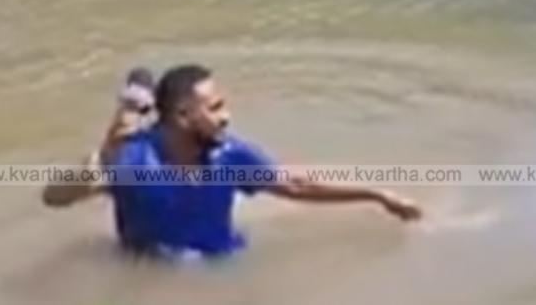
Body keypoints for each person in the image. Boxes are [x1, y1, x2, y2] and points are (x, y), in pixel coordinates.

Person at [41, 63, 423, 260]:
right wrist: (99, 162)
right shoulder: (133, 159)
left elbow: (295, 185)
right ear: (183, 116)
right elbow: (54, 198)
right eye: (216, 108)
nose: (226, 117)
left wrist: (376, 193)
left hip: (222, 267)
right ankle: (128, 104)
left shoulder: (230, 155)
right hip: (146, 275)